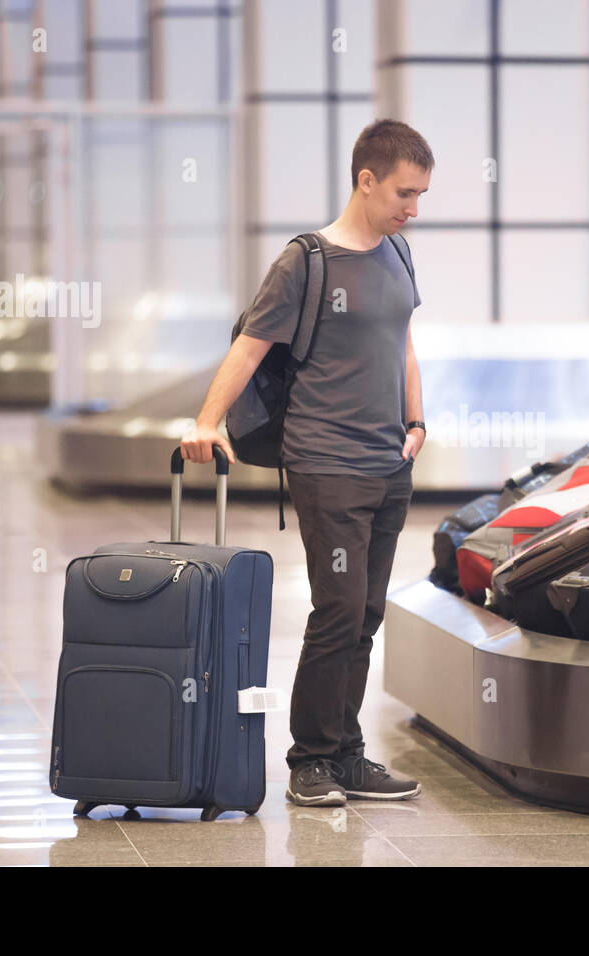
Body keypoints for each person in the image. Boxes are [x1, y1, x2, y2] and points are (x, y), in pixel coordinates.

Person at [180, 119, 433, 806]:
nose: (413, 209)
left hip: (389, 465)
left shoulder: (398, 255)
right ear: (366, 180)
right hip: (327, 462)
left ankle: (347, 753)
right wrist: (206, 422)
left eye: (421, 196)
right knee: (339, 609)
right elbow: (250, 348)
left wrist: (415, 420)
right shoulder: (307, 261)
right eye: (404, 194)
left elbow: (403, 342)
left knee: (367, 613)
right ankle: (311, 759)